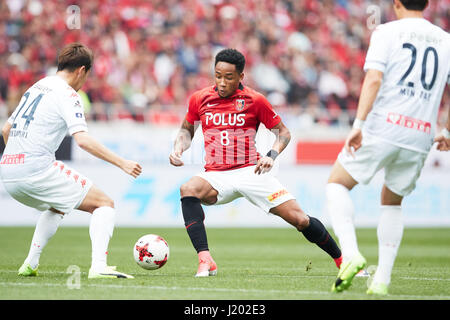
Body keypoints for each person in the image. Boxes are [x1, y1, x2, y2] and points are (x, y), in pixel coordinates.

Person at [169, 48, 343, 277]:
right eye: (217, 76)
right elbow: (186, 130)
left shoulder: (255, 100)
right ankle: (205, 259)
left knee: (300, 220)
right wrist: (179, 147)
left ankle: (343, 261)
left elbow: (283, 133)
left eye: (228, 77)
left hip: (251, 172)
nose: (222, 82)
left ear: (241, 77)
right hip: (216, 175)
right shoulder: (200, 98)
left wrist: (271, 156)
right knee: (188, 189)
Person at [326, 0, 450, 295]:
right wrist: (445, 129)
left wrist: (357, 124)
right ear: (428, 4)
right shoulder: (446, 40)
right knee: (392, 202)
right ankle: (382, 279)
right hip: (421, 134)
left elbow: (374, 78)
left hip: (383, 126)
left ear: (396, 4)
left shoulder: (386, 31)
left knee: (336, 184)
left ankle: (351, 253)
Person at [0, 43, 142, 279]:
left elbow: (7, 129)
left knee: (58, 206)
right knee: (104, 204)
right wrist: (122, 163)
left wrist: (18, 157)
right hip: (36, 170)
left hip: (8, 172)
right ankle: (98, 267)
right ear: (81, 70)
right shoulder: (68, 94)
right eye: (86, 76)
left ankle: (30, 263)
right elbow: (83, 141)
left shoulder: (37, 86)